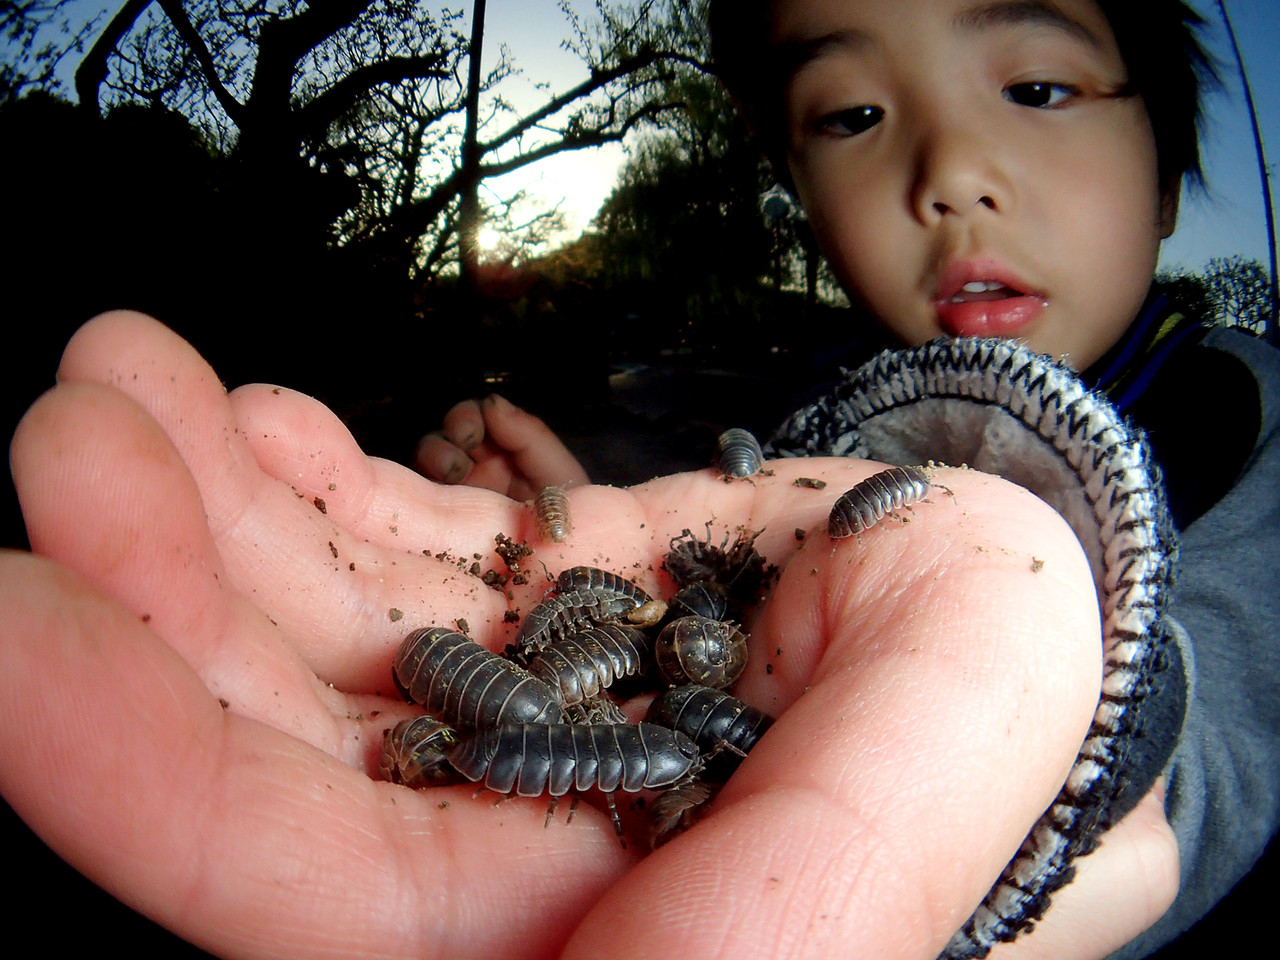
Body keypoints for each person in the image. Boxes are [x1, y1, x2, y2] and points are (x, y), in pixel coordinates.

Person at [414, 1, 1280, 957]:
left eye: (1037, 89)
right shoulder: (815, 434)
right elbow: (730, 602)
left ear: (1165, 178)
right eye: (852, 117)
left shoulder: (1244, 415)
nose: (950, 173)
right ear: (802, 194)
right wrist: (577, 531)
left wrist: (1113, 785)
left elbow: (1231, 752)